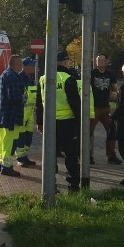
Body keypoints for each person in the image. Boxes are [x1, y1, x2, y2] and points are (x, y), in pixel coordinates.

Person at [36, 50, 82, 192]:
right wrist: (79, 122)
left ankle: (51, 185)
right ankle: (73, 186)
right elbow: (75, 103)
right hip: (67, 123)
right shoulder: (68, 79)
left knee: (51, 155)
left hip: (49, 123)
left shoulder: (43, 79)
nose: (69, 63)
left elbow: (39, 102)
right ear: (64, 62)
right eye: (68, 61)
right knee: (71, 156)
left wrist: (40, 122)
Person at [0, 54, 26, 177]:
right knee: (10, 142)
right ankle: (7, 166)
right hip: (11, 115)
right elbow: (14, 97)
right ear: (16, 65)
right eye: (21, 64)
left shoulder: (4, 75)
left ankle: (3, 164)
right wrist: (24, 98)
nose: (22, 66)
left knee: (4, 141)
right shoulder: (13, 76)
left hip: (4, 115)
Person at [90, 54, 122, 165]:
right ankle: (87, 155)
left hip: (105, 108)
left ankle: (111, 155)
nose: (100, 62)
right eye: (98, 60)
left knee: (112, 129)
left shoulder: (110, 74)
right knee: (88, 132)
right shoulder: (91, 73)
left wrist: (118, 94)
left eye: (102, 60)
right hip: (94, 108)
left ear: (106, 62)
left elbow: (115, 88)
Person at [13, 57, 38, 167]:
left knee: (28, 137)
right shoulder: (20, 78)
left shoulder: (31, 78)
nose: (36, 68)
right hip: (22, 113)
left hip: (30, 114)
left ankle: (25, 156)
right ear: (26, 67)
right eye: (33, 65)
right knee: (21, 137)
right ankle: (20, 158)